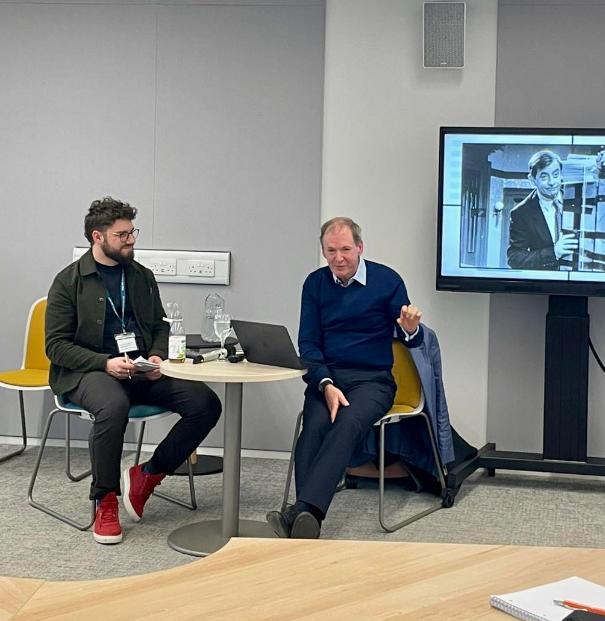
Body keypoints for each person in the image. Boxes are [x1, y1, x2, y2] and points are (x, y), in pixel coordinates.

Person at [45, 197, 222, 545]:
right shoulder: (68, 282)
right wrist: (104, 363)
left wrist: (156, 357)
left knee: (205, 403)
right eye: (122, 235)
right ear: (97, 237)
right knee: (113, 407)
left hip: (139, 369)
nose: (131, 240)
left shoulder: (141, 276)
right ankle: (105, 499)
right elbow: (56, 346)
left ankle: (148, 475)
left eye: (132, 232)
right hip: (90, 371)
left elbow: (159, 325)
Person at [266, 217, 422, 539]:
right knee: (314, 429)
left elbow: (412, 338)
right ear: (323, 251)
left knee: (346, 424)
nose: (338, 258)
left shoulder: (387, 280)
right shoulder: (315, 284)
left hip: (373, 380)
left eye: (346, 250)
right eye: (331, 251)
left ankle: (304, 512)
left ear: (360, 248)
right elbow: (308, 344)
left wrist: (410, 330)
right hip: (327, 378)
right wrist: (325, 384)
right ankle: (307, 517)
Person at [507, 150, 578, 269]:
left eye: (556, 175)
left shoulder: (578, 200)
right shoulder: (521, 213)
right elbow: (514, 258)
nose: (552, 182)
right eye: (544, 177)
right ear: (532, 180)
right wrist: (553, 252)